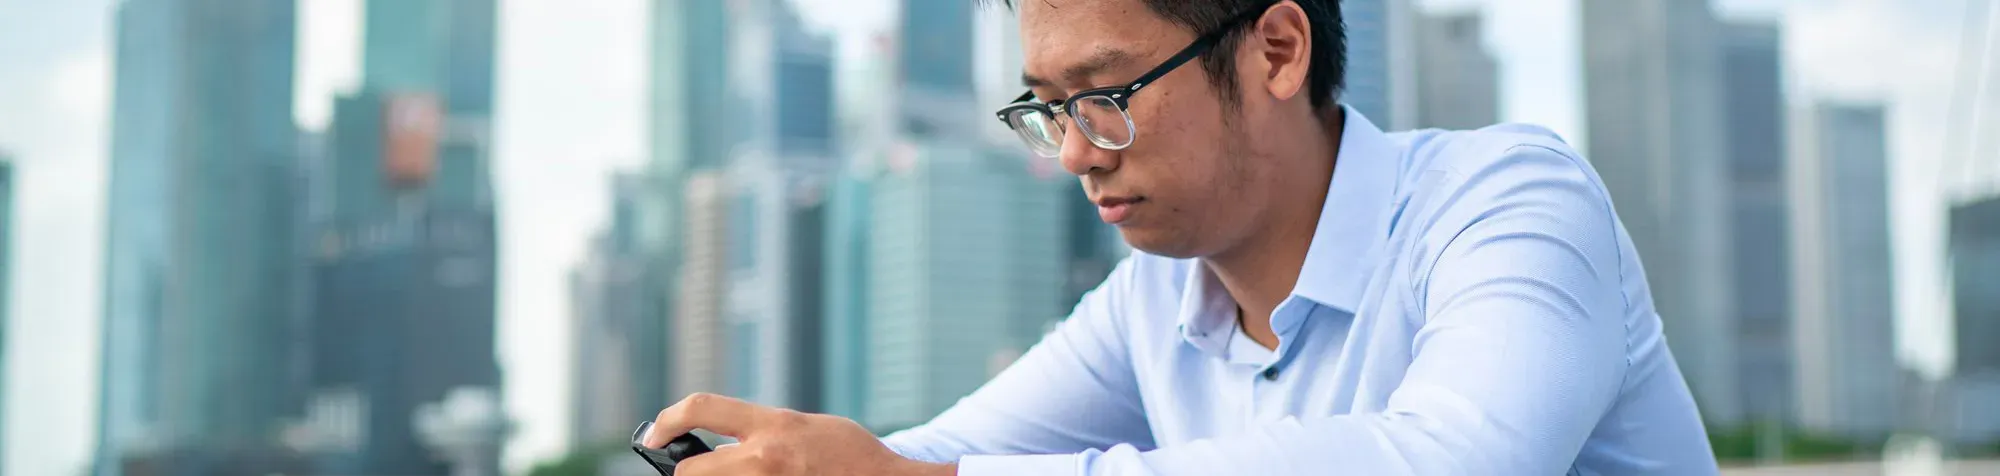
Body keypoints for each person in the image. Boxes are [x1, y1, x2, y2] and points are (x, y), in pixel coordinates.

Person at [638, 0, 1721, 474]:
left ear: (1277, 50)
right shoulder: (1153, 303)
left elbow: (1457, 459)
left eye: (1104, 93)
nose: (1071, 151)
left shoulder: (1507, 203)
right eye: (1046, 105)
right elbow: (926, 456)